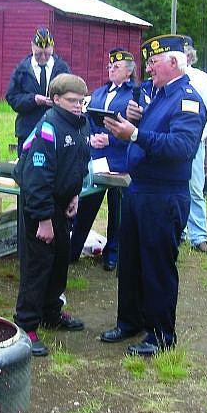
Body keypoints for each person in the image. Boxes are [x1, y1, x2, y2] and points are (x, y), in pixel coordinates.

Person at [100, 34, 206, 356]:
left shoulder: (187, 99)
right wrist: (137, 121)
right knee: (130, 262)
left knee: (158, 267)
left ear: (174, 62)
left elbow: (181, 147)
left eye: (153, 62)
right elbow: (155, 133)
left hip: (164, 195)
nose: (148, 68)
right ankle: (131, 321)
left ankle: (161, 335)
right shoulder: (157, 95)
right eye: (146, 62)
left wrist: (135, 133)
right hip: (138, 190)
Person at [12, 73, 91, 357]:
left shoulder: (80, 124)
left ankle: (51, 312)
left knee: (59, 260)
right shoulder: (49, 127)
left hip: (60, 202)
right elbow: (36, 178)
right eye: (71, 101)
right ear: (55, 100)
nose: (77, 106)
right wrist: (44, 219)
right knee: (38, 265)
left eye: (81, 101)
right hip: (39, 204)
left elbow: (78, 163)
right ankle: (26, 324)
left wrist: (74, 195)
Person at [69, 47, 137, 271]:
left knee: (117, 212)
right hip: (96, 160)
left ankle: (113, 253)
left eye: (116, 67)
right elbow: (86, 120)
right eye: (110, 66)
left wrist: (110, 139)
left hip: (120, 161)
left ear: (128, 72)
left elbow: (136, 129)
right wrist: (91, 138)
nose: (111, 69)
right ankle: (73, 249)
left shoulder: (134, 95)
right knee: (86, 204)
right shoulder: (99, 93)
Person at [182, 36, 207, 254]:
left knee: (195, 189)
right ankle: (178, 231)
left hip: (193, 145)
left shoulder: (202, 80)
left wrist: (197, 137)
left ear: (188, 56)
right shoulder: (164, 80)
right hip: (171, 144)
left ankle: (198, 236)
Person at [5, 28, 71, 152]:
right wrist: (33, 99)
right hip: (28, 131)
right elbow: (12, 98)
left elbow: (72, 96)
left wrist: (59, 102)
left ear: (53, 47)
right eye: (38, 54)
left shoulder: (62, 69)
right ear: (32, 46)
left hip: (56, 130)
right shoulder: (22, 69)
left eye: (47, 54)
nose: (43, 57)